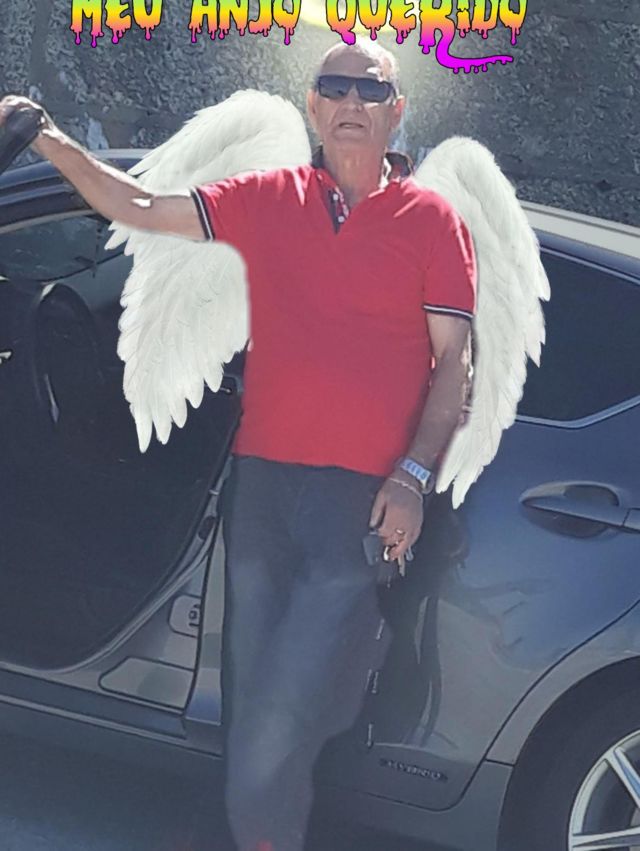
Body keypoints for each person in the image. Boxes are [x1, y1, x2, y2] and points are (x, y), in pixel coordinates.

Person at [0, 40, 476, 851]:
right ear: (313, 106)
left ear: (396, 111)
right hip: (262, 488)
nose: (351, 101)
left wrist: (412, 474)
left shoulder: (431, 222)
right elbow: (140, 206)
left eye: (370, 90)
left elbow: (455, 361)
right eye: (334, 86)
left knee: (289, 708)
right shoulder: (272, 198)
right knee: (252, 697)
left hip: (359, 501)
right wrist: (46, 137)